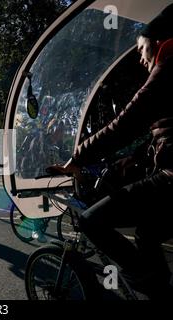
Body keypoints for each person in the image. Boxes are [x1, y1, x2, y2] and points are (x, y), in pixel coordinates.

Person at [49, 4, 173, 299]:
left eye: (140, 48)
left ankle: (149, 288)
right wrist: (121, 165)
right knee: (146, 231)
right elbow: (152, 144)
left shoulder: (168, 67)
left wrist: (77, 157)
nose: (140, 59)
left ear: (155, 42)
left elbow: (126, 124)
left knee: (91, 220)